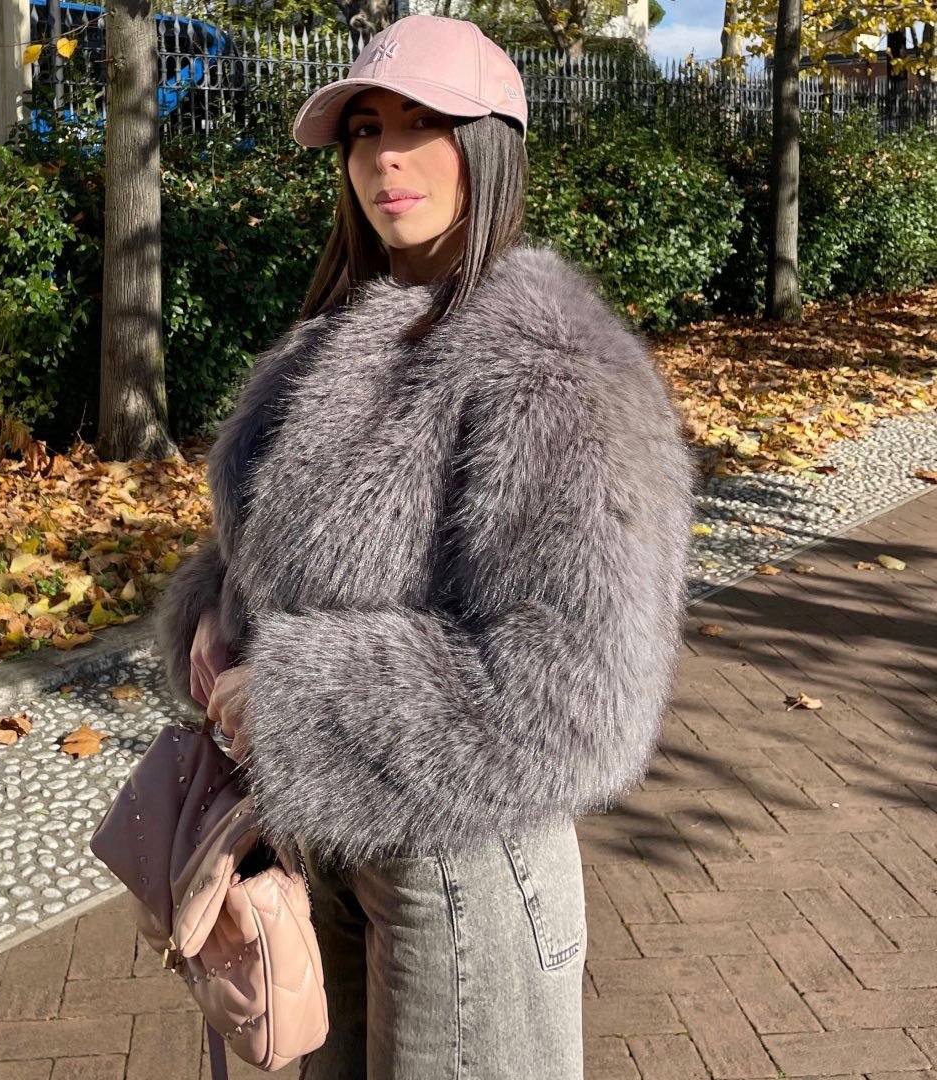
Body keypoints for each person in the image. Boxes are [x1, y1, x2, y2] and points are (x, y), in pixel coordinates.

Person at [158, 14, 694, 1079]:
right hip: (331, 851)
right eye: (365, 129)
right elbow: (288, 553)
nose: (385, 158)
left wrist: (299, 697)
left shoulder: (548, 367)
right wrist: (216, 619)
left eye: (422, 124)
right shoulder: (342, 337)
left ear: (488, 146)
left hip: (463, 874)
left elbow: (581, 693)